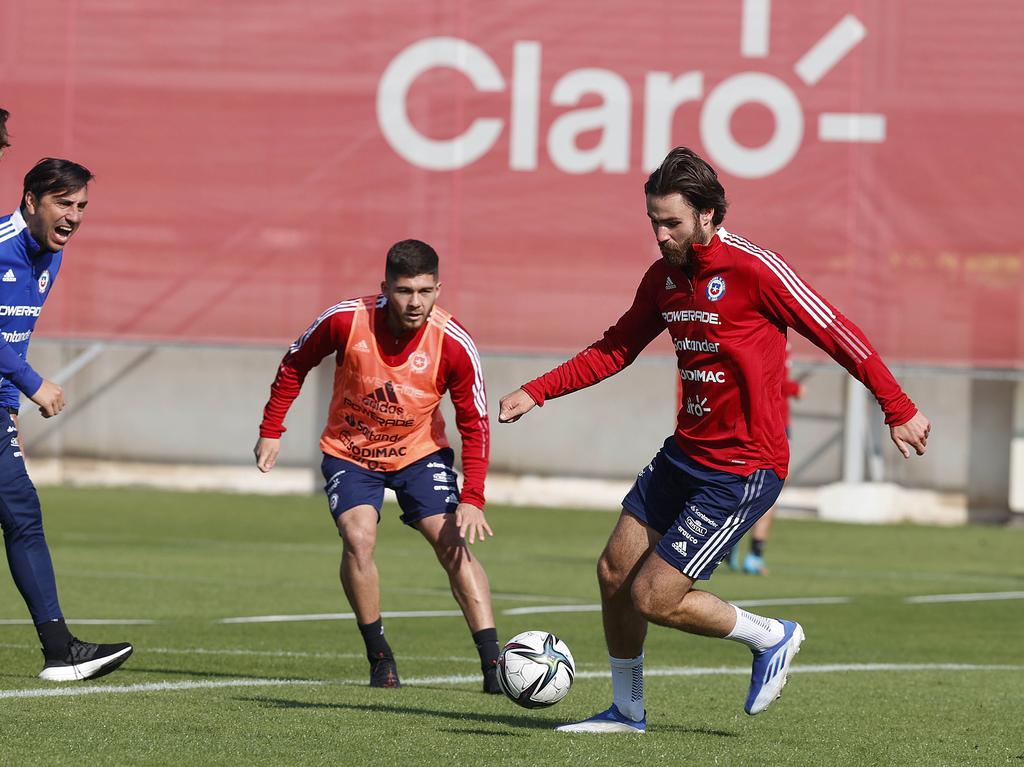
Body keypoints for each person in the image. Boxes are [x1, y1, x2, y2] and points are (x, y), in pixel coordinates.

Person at [499, 146, 930, 733]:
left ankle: (771, 636)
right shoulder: (664, 278)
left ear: (708, 215)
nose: (660, 234)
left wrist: (897, 406)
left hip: (744, 468)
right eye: (653, 221)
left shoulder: (755, 269)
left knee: (653, 595)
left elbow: (835, 330)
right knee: (612, 572)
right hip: (685, 454)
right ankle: (627, 712)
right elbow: (615, 348)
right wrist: (539, 391)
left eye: (671, 222)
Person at [255, 239, 502, 692]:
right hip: (351, 452)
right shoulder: (345, 320)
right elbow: (295, 364)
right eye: (405, 291)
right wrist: (272, 428)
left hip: (418, 454)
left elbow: (476, 423)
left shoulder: (453, 343)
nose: (415, 302)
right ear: (385, 287)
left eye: (425, 291)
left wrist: (473, 497)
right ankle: (380, 658)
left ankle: (494, 665)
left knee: (450, 542)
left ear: (438, 288)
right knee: (359, 537)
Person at [0, 153, 133, 680]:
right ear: (31, 201)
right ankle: (60, 650)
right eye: (63, 203)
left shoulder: (50, 253)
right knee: (22, 518)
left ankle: (60, 649)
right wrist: (32, 385)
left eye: (81, 206)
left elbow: (11, 334)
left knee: (21, 516)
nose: (73, 216)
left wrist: (8, 411)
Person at [727, 347, 803, 575]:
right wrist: (794, 388)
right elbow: (762, 377)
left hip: (780, 423)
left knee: (772, 488)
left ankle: (750, 552)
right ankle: (738, 541)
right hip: (762, 423)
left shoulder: (783, 340)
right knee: (763, 486)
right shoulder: (762, 331)